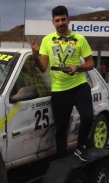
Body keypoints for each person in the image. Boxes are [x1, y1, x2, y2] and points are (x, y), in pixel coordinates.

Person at [31, 5, 94, 161]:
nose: (61, 23)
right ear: (53, 22)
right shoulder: (47, 40)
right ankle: (61, 159)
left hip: (79, 85)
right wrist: (35, 56)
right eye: (57, 20)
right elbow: (43, 67)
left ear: (68, 20)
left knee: (88, 117)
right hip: (59, 90)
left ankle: (80, 146)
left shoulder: (80, 39)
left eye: (63, 19)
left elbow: (91, 63)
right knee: (61, 129)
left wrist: (78, 67)